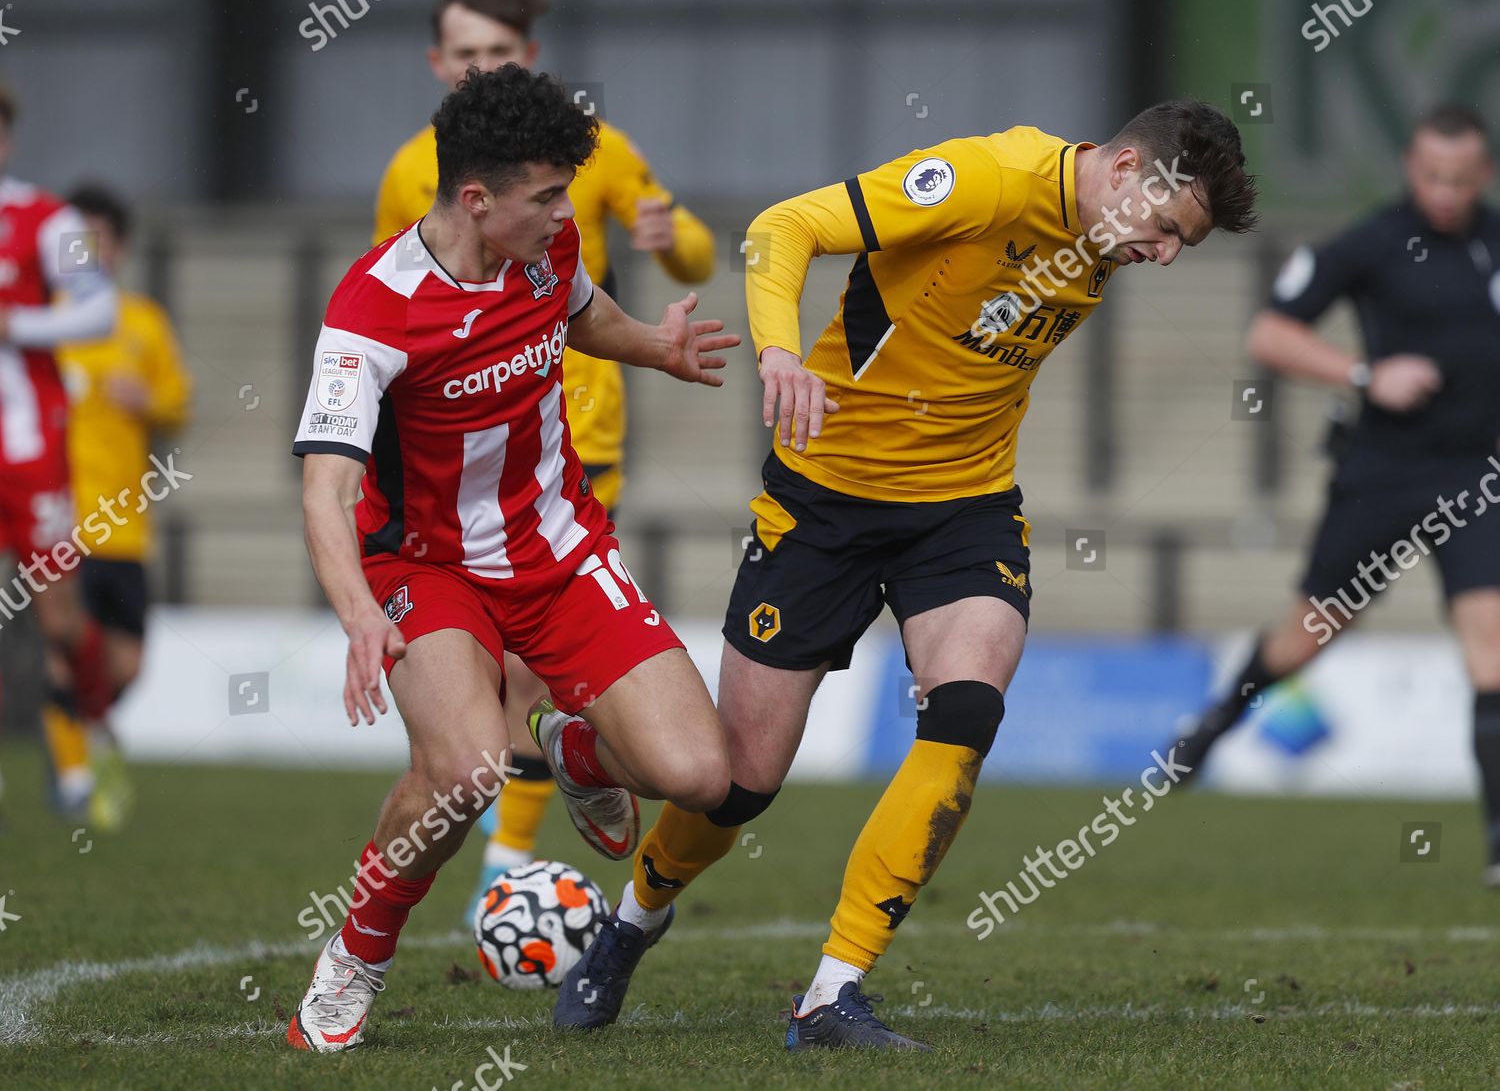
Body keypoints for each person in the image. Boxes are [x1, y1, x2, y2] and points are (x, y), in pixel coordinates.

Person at [555, 100, 1260, 1049]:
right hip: (825, 503)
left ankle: (832, 993)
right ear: (1128, 166)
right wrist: (776, 352)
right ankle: (630, 921)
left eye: (1184, 246)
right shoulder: (986, 180)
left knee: (967, 711)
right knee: (737, 784)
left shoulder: (1106, 227)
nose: (1166, 256)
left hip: (964, 511)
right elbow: (782, 227)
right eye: (1170, 230)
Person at [287, 65, 737, 1053]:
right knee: (465, 770)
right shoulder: (375, 307)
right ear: (476, 198)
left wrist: (656, 349)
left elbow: (581, 313)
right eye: (545, 196)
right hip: (424, 567)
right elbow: (324, 485)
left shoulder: (548, 246)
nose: (565, 213)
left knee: (702, 774)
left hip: (559, 547)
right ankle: (353, 961)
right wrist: (363, 612)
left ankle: (572, 746)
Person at [373, 0, 717, 924]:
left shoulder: (589, 151)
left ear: (527, 52)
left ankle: (506, 859)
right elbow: (394, 323)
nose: (480, 67)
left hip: (572, 440)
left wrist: (667, 244)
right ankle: (510, 836)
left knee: (534, 676)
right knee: (487, 707)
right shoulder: (414, 175)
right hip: (450, 471)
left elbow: (691, 249)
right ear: (437, 60)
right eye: (464, 51)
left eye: (498, 51)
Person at [1169, 104, 1500, 879]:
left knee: (1492, 648)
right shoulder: (1374, 242)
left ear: (1482, 174)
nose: (1446, 191)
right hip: (1381, 473)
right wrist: (1364, 375)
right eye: (1432, 176)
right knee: (1309, 636)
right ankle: (1219, 717)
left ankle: (1495, 846)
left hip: (1474, 479)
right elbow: (1270, 333)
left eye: (1461, 178)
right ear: (1412, 171)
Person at [54, 184, 192, 830]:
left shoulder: (143, 322)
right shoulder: (43, 320)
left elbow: (179, 405)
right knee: (66, 646)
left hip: (128, 526)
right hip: (62, 522)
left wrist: (151, 402)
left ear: (120, 246)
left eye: (99, 237)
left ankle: (88, 733)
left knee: (125, 663)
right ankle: (77, 778)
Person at [0, 84, 119, 820]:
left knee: (59, 621)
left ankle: (91, 730)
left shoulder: (52, 220)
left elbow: (99, 307)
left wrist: (18, 323)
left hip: (28, 449)